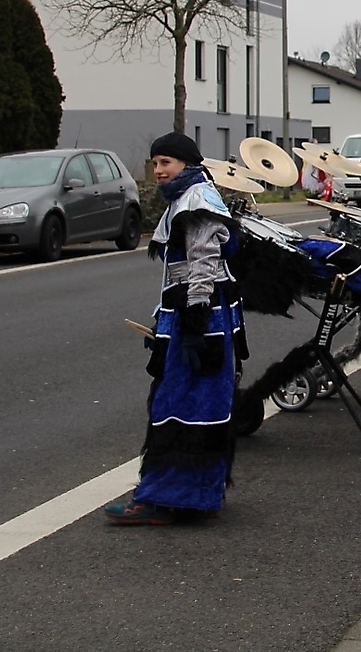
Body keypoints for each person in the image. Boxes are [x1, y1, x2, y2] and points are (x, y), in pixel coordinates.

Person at [104, 132, 246, 526]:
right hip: (196, 314)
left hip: (200, 317)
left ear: (188, 163)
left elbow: (204, 262)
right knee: (203, 404)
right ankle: (198, 496)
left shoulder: (196, 200)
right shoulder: (189, 196)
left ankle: (165, 500)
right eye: (155, 163)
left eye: (165, 162)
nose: (158, 170)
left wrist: (195, 324)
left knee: (179, 405)